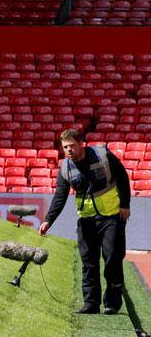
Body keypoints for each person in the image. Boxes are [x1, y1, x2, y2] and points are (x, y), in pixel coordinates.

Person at [38, 128, 130, 315]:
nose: (69, 150)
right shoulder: (65, 168)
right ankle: (91, 303)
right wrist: (48, 220)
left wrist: (125, 205)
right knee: (88, 262)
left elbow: (122, 177)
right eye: (65, 147)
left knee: (112, 259)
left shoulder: (103, 155)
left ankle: (112, 303)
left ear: (81, 144)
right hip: (86, 220)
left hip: (112, 217)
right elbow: (60, 196)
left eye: (72, 145)